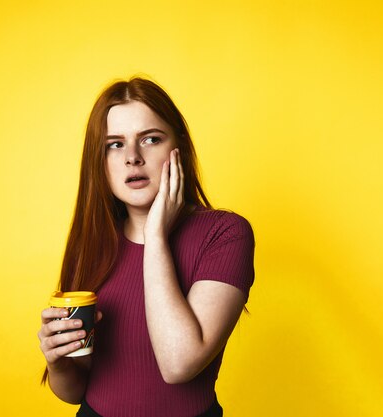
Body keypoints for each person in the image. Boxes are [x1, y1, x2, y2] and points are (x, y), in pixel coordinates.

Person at [37, 77, 255, 417]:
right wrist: (58, 361)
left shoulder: (225, 234)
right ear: (99, 160)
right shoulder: (93, 243)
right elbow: (75, 391)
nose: (132, 158)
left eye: (150, 139)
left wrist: (154, 235)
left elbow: (179, 363)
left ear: (178, 146)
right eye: (114, 145)